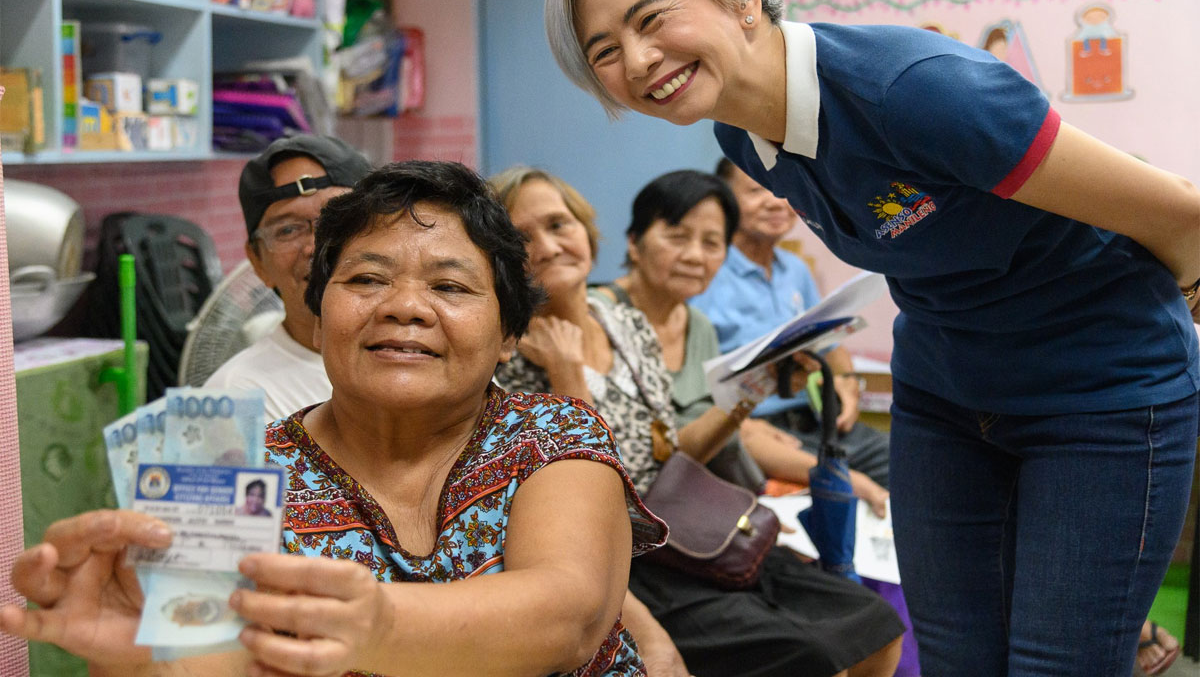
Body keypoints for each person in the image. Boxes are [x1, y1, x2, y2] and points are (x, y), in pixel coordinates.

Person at [543, 0, 1200, 676]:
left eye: (652, 19)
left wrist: (1173, 326)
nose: (637, 60)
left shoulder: (919, 89)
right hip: (946, 396)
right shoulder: (741, 136)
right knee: (956, 660)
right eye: (604, 50)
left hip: (1098, 394)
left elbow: (1182, 218)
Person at [1, 160, 666, 676]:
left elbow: (566, 616)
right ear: (320, 318)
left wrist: (373, 624)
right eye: (366, 279)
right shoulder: (232, 474)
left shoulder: (554, 433)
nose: (403, 306)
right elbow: (210, 659)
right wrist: (137, 655)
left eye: (450, 286)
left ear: (507, 337)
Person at [490, 166, 904, 677]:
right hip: (628, 555)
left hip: (685, 522)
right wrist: (566, 371)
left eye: (559, 224)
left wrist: (744, 397)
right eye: (523, 236)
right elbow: (588, 494)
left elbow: (671, 450)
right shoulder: (508, 354)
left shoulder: (623, 320)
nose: (549, 246)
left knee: (878, 628)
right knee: (813, 657)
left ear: (587, 231)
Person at [594, 168, 888, 514]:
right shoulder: (603, 319)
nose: (694, 257)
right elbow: (651, 454)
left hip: (762, 438)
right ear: (634, 241)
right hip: (653, 501)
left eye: (711, 243)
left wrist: (839, 380)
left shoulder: (697, 323)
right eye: (677, 236)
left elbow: (700, 435)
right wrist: (747, 414)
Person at [692, 158, 890, 488]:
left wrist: (845, 380)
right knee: (845, 488)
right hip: (753, 427)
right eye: (756, 190)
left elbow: (831, 340)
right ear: (723, 199)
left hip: (817, 419)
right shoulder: (705, 272)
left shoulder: (795, 269)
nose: (775, 201)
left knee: (907, 465)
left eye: (781, 189)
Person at [204, 133, 372, 421]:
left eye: (333, 221)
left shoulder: (422, 356)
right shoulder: (235, 400)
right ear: (258, 262)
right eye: (287, 230)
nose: (314, 246)